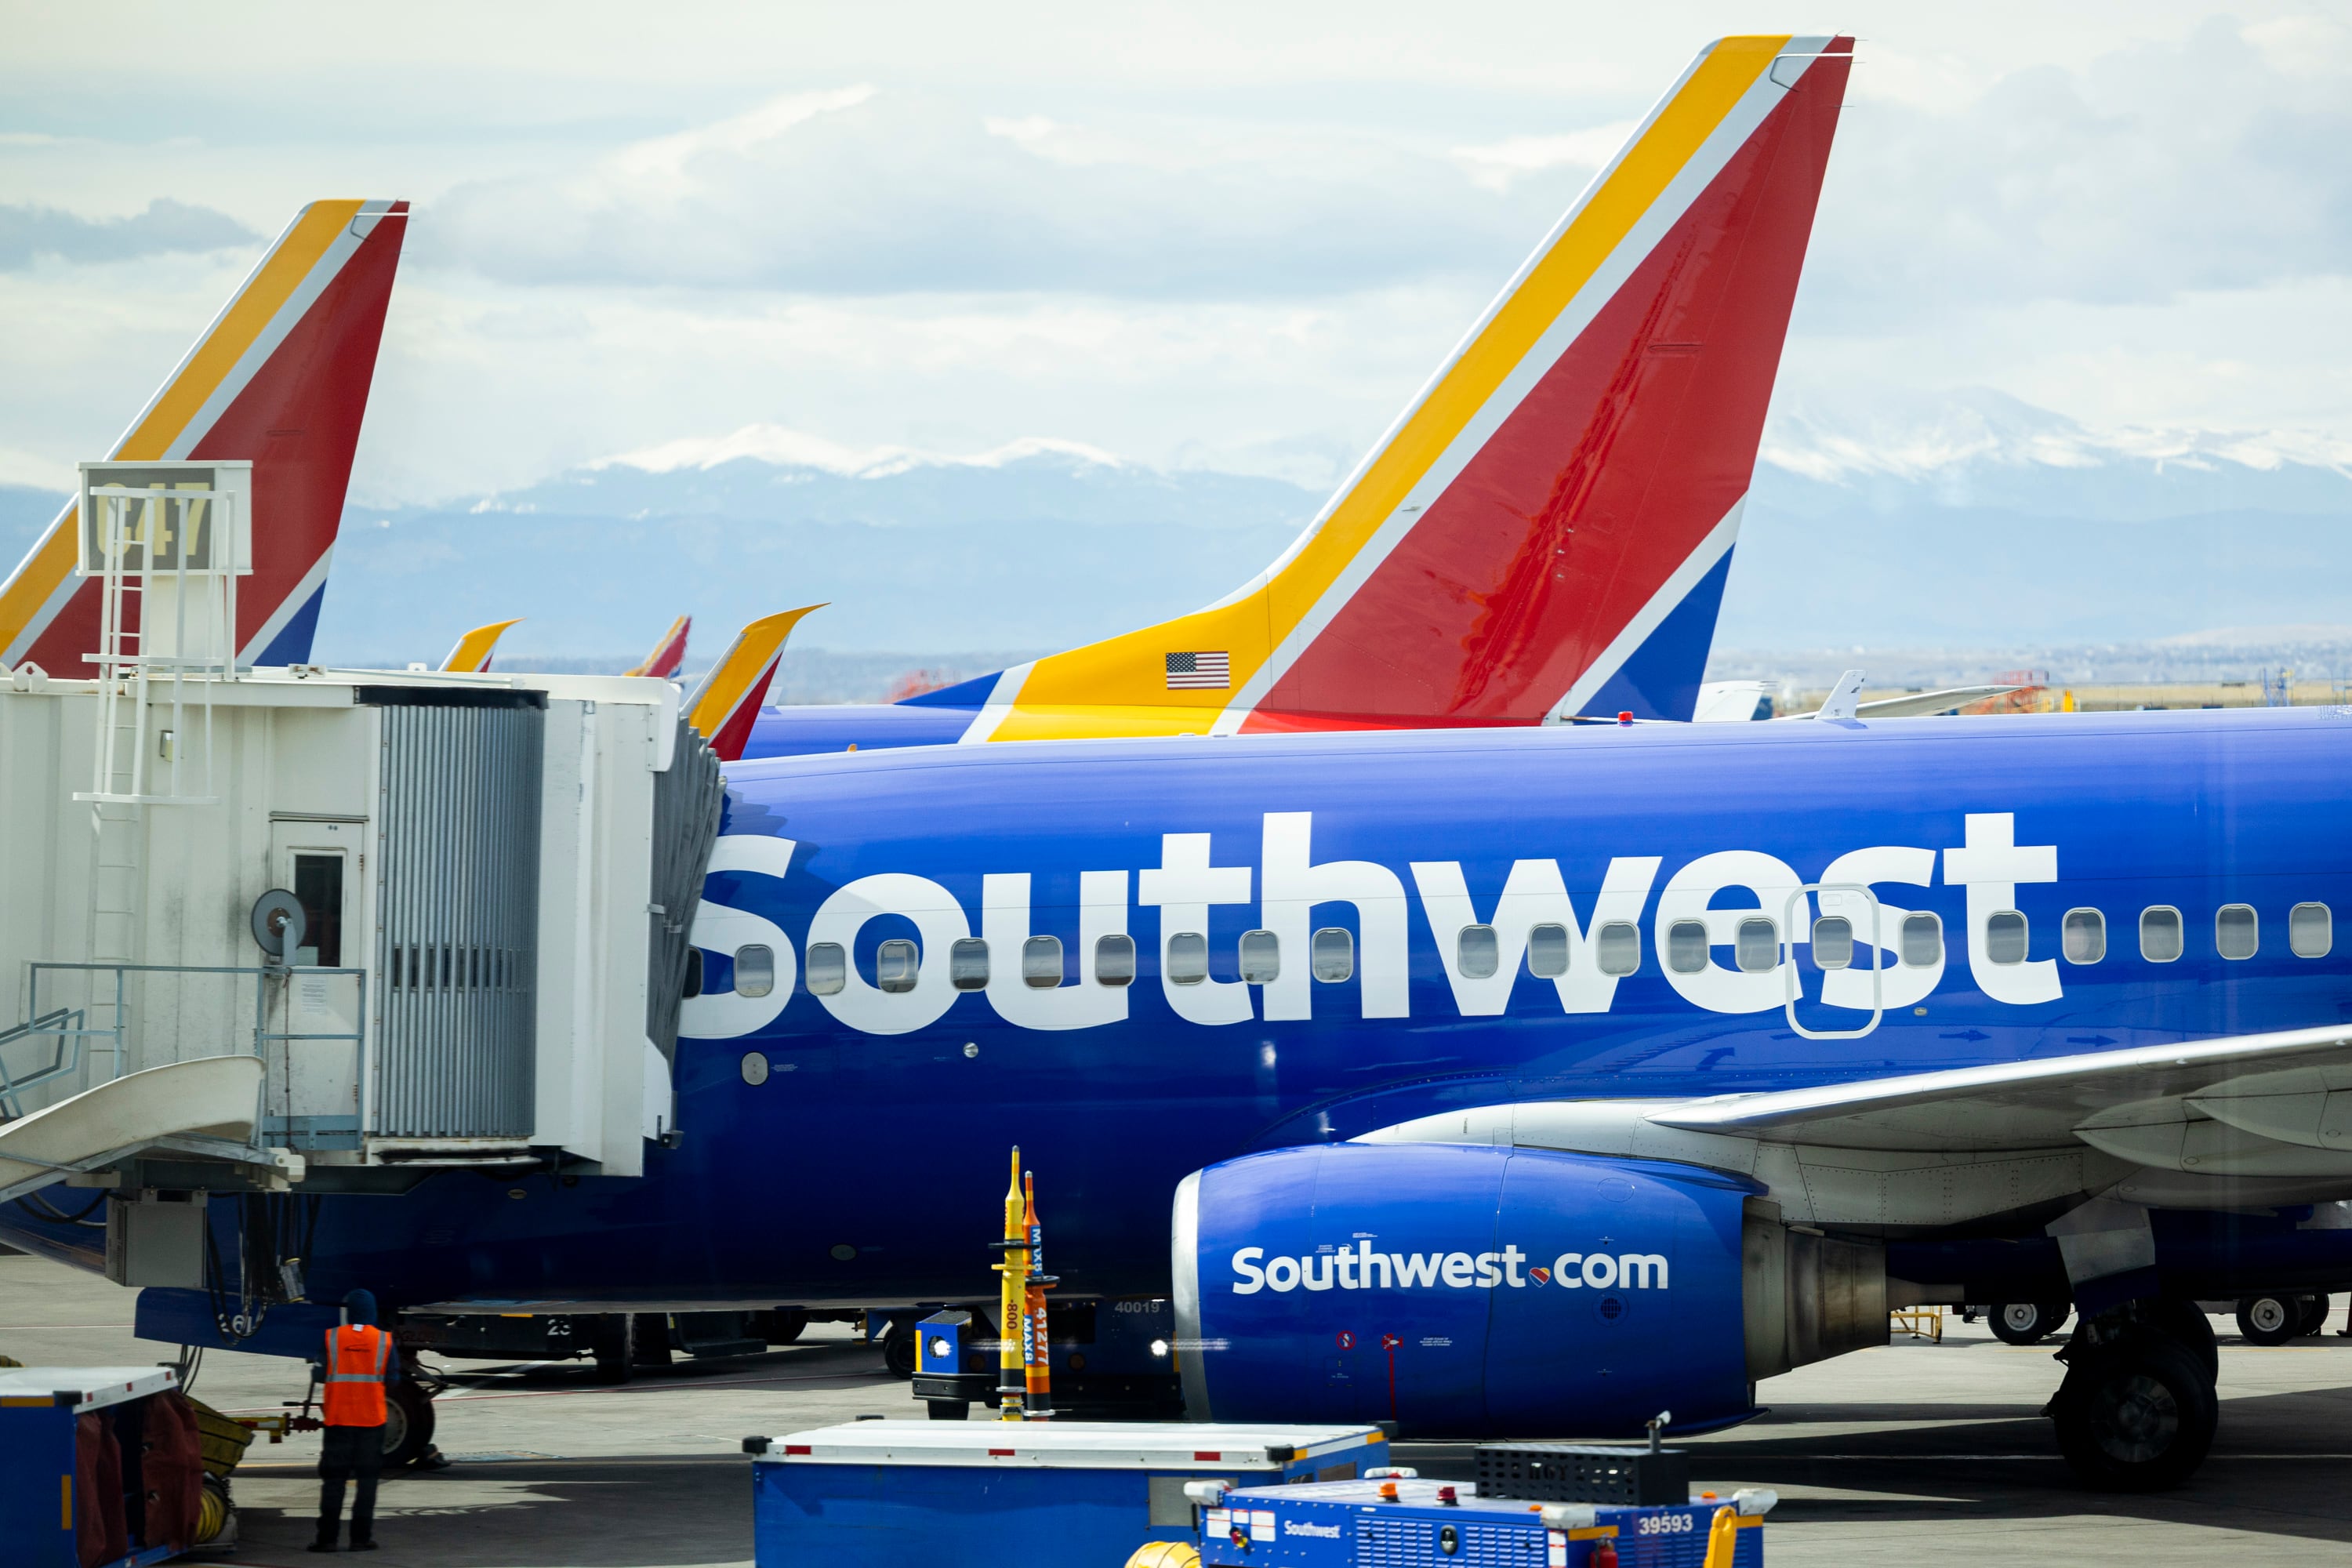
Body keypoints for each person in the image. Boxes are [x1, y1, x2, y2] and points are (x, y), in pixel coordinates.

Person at [311, 1288, 397, 1552]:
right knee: (367, 1481)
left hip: (338, 1421)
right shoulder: (384, 1341)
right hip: (371, 1423)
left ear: (348, 1312)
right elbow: (393, 1380)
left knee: (334, 1481)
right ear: (372, 1312)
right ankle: (360, 1538)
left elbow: (318, 1375)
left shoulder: (332, 1338)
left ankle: (327, 1539)